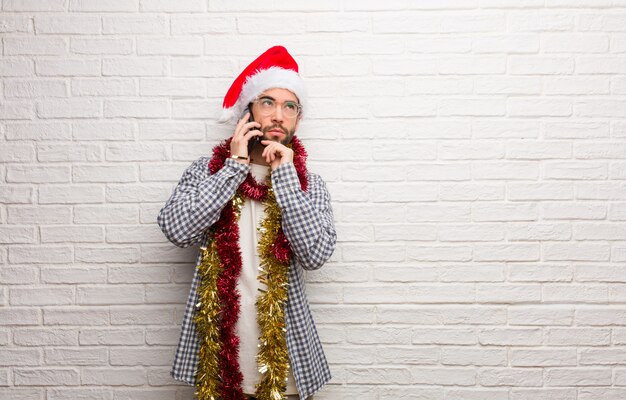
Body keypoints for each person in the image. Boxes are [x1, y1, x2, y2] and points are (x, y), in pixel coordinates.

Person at [157, 46, 336, 400]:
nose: (279, 115)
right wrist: (235, 167)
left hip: (286, 362)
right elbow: (177, 230)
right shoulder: (206, 172)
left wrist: (284, 176)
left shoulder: (308, 185)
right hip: (218, 360)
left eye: (290, 107)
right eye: (268, 102)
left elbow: (315, 255)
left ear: (298, 120)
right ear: (248, 112)